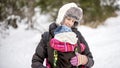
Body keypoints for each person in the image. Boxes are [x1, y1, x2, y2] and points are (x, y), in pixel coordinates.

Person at [31, 2, 94, 68]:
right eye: (68, 19)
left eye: (73, 21)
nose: (70, 23)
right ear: (61, 18)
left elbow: (91, 60)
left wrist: (85, 60)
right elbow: (36, 61)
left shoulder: (77, 36)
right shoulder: (48, 36)